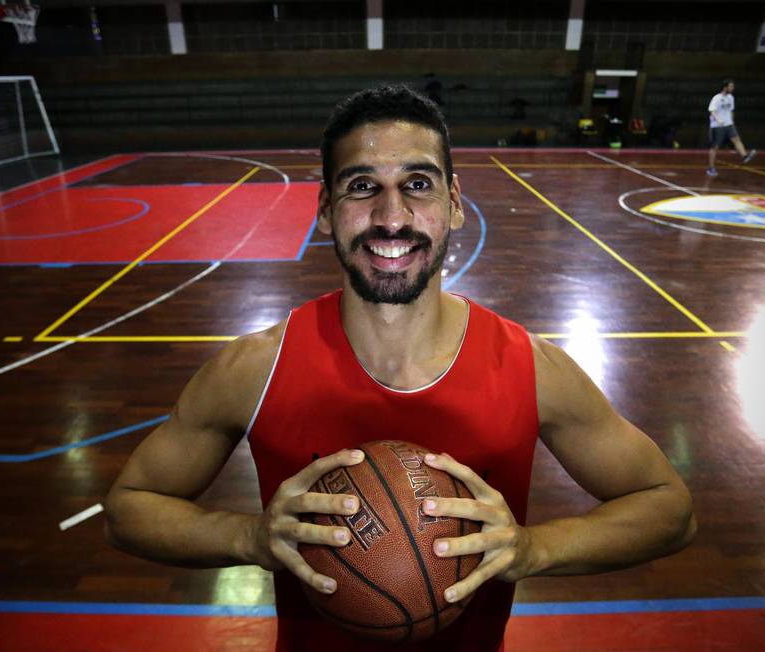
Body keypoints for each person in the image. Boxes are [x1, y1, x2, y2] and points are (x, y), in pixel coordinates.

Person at [104, 84, 696, 652]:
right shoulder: (255, 368)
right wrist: (247, 537)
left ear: (455, 204)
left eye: (418, 183)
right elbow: (128, 508)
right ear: (326, 212)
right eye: (363, 186)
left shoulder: (530, 367)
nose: (392, 217)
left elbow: (670, 509)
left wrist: (532, 548)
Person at [706, 78, 756, 177]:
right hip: (717, 126)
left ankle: (745, 156)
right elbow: (712, 110)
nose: (732, 88)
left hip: (729, 124)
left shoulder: (731, 98)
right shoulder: (717, 98)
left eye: (733, 86)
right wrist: (718, 119)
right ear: (725, 87)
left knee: (736, 139)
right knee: (715, 147)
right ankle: (711, 168)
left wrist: (732, 122)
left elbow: (730, 111)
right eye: (730, 86)